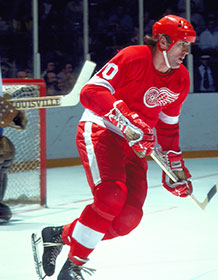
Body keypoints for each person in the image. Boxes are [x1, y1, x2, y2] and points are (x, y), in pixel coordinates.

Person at [39, 14, 196, 280]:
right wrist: (127, 119)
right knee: (111, 196)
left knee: (127, 219)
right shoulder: (133, 57)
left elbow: (168, 128)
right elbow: (90, 92)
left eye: (189, 45)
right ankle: (73, 267)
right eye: (182, 44)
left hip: (134, 144)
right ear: (163, 41)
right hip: (102, 129)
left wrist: (175, 170)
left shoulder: (180, 79)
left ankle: (58, 235)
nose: (186, 52)